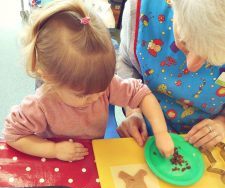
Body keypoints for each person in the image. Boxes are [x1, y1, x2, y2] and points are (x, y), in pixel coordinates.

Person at [3, 0, 174, 161]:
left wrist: (161, 133)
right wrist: (53, 150)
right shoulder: (40, 105)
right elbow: (13, 135)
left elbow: (142, 94)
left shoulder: (104, 86)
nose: (94, 98)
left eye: (100, 91)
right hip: (57, 162)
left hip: (93, 155)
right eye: (83, 96)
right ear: (48, 78)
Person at [117, 0, 225, 150]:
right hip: (146, 131)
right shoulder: (141, 9)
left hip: (209, 139)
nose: (191, 66)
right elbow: (126, 63)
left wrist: (222, 124)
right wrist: (133, 111)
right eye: (185, 42)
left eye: (211, 59)